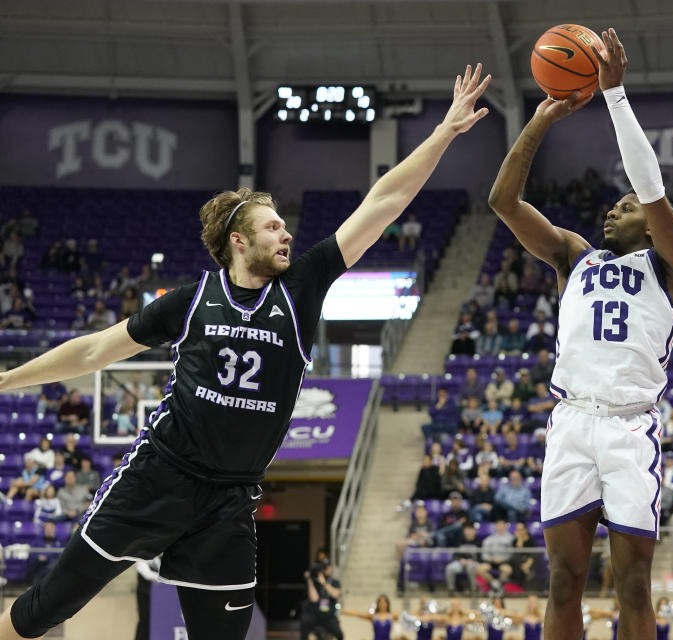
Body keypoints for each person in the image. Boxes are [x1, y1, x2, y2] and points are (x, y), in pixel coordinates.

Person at [0, 63, 491, 640]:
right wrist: (6, 381)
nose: (287, 235)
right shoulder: (191, 300)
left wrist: (445, 133)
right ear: (239, 240)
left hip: (231, 499)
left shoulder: (303, 287)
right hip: (158, 477)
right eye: (274, 227)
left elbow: (384, 201)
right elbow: (93, 353)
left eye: (286, 227)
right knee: (43, 610)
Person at [488, 29, 673, 640]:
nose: (613, 210)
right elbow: (503, 199)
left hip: (631, 427)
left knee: (632, 585)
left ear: (651, 225)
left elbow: (652, 188)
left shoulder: (670, 264)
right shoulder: (573, 256)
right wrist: (542, 118)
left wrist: (614, 97)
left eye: (625, 206)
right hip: (573, 422)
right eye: (613, 205)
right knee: (562, 580)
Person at [301, 559, 343, 640]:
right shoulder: (315, 581)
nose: (326, 569)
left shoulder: (335, 582)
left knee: (339, 634)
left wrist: (324, 583)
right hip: (316, 615)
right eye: (324, 567)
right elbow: (314, 599)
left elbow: (335, 595)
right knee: (304, 622)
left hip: (329, 616)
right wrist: (309, 580)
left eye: (328, 566)